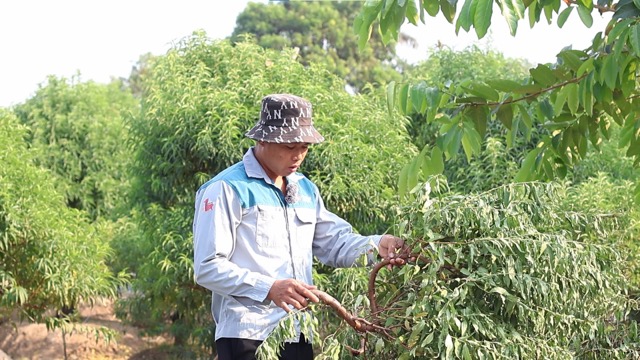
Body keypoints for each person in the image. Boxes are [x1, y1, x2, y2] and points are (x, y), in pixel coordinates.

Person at [193, 93, 406, 360]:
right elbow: (207, 267)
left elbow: (335, 243)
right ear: (263, 139)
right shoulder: (226, 189)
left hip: (298, 331)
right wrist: (269, 288)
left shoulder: (304, 188)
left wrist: (378, 245)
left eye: (304, 147)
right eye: (290, 146)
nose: (299, 156)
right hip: (248, 333)